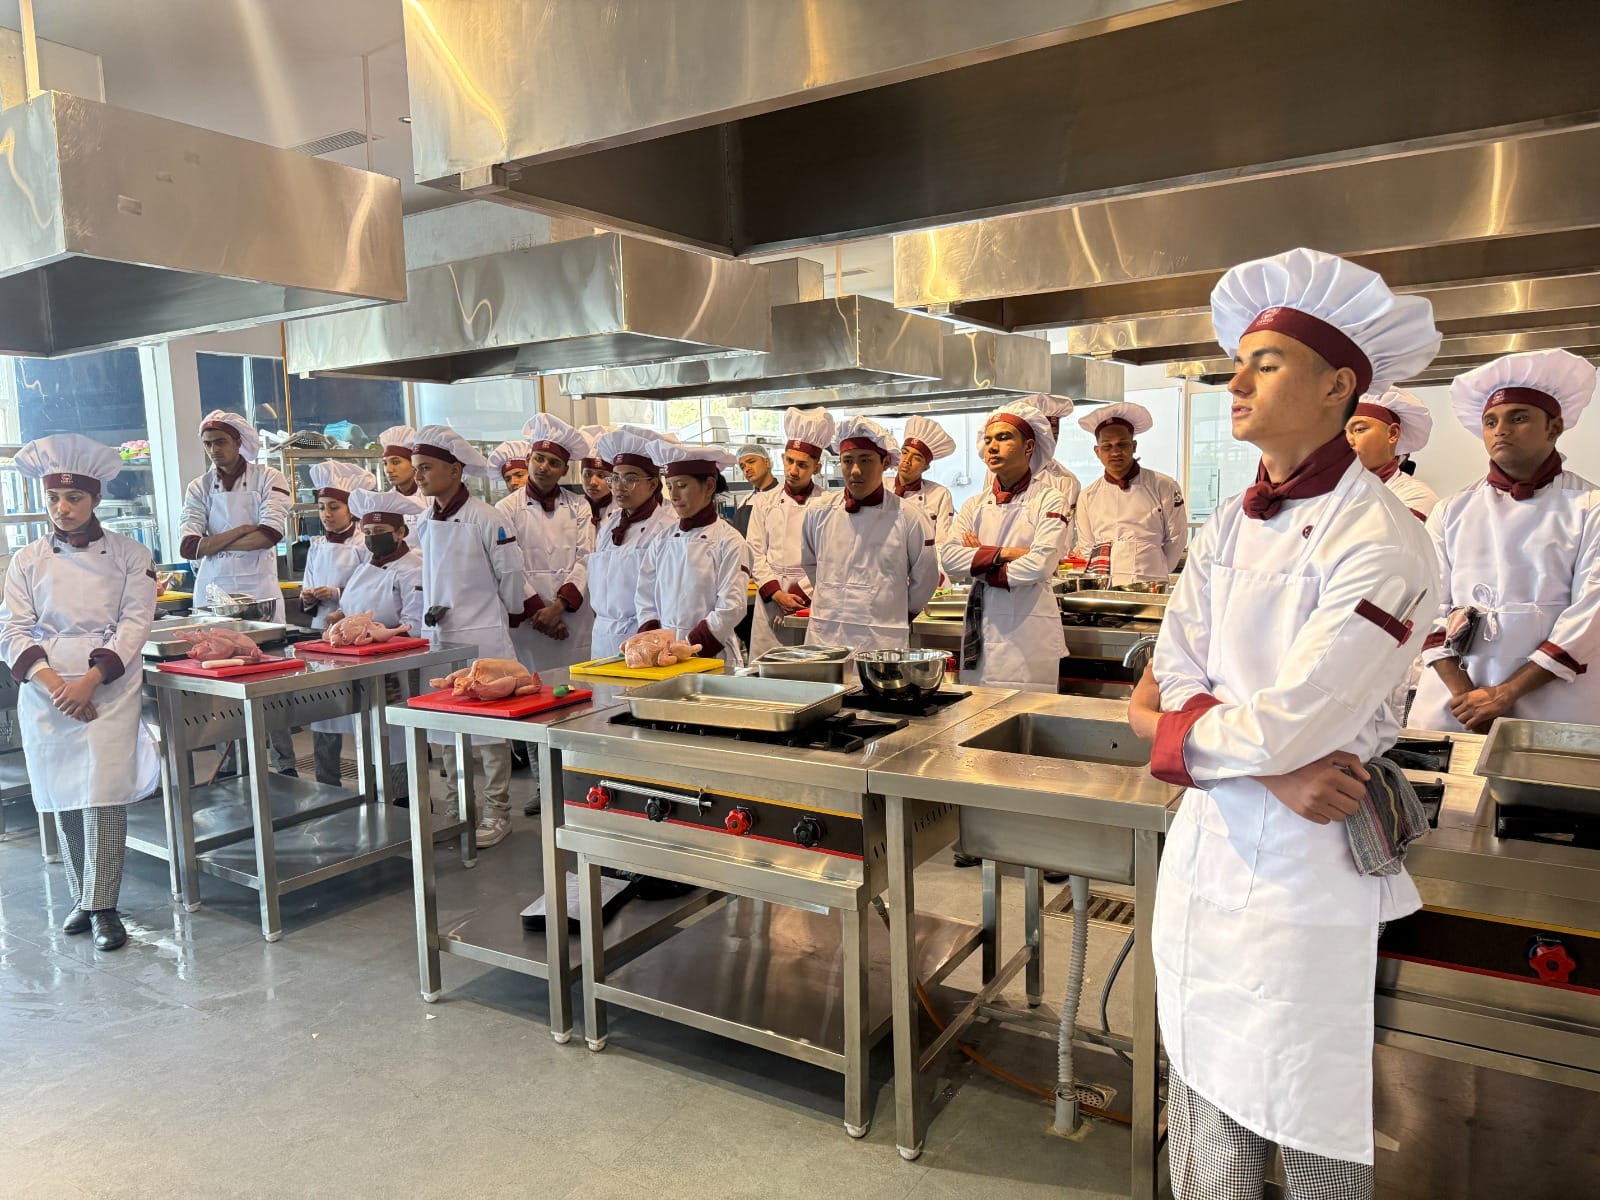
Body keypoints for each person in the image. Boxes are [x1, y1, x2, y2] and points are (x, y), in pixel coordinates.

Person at [1127, 246, 1441, 1200]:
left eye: (1265, 364)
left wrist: (1208, 741)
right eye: (1238, 364)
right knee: (1200, 1079)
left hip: (1309, 863)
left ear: (1339, 386)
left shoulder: (1384, 540)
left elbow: (1294, 719)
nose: (1236, 382)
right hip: (1211, 841)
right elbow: (1171, 677)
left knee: (1303, 1097)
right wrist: (1264, 768)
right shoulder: (1228, 523)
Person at [1, 435, 162, 951]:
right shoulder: (26, 559)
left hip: (108, 686)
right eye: (53, 498)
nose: (62, 508)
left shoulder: (131, 555)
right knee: (64, 794)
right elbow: (12, 629)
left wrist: (89, 681)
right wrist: (56, 687)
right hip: (46, 688)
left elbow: (135, 624)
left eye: (73, 498)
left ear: (95, 498)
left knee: (102, 794)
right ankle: (84, 898)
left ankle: (103, 906)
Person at [1409, 349, 1600, 732]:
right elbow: (1427, 606)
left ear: (1554, 427)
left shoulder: (1589, 506)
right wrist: (1467, 697)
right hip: (1454, 705)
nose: (1501, 430)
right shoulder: (1450, 510)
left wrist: (1505, 694)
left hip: (1555, 702)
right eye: (1490, 421)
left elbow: (1590, 614)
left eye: (1519, 417)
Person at [409, 425, 528, 849]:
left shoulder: (487, 518)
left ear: (455, 470)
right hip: (440, 637)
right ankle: (458, 808)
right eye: (416, 468)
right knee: (446, 730)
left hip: (484, 635)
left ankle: (498, 812)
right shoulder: (424, 520)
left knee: (490, 734)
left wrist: (504, 614)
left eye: (426, 467)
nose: (418, 476)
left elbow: (510, 577)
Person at [179, 410, 296, 773]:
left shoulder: (268, 478)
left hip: (258, 595)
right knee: (220, 686)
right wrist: (242, 530)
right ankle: (232, 768)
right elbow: (189, 547)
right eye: (207, 444)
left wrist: (214, 543)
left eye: (220, 442)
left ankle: (284, 764)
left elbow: (269, 535)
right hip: (212, 596)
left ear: (238, 443)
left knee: (270, 682)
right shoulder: (199, 487)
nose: (214, 450)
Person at [940, 401, 1070, 692]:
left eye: (1003, 438)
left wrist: (980, 561)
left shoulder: (1049, 499)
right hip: (983, 622)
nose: (993, 447)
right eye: (988, 440)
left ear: (1028, 447)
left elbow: (1041, 565)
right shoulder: (974, 504)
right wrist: (1007, 553)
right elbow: (949, 558)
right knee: (979, 706)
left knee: (1031, 708)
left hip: (1029, 629)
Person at [311, 488, 426, 805]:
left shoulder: (413, 568)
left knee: (394, 741)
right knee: (368, 739)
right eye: (369, 532)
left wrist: (376, 634)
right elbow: (353, 605)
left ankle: (406, 804)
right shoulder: (366, 566)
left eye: (381, 531)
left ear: (400, 533)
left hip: (394, 668)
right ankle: (372, 801)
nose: (374, 538)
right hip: (358, 664)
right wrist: (340, 617)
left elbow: (413, 625)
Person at [802, 417, 939, 652]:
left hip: (883, 636)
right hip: (826, 632)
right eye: (848, 461)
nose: (855, 470)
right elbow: (811, 564)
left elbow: (925, 577)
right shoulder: (818, 512)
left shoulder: (909, 516)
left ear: (885, 462)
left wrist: (897, 611)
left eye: (865, 460)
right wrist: (832, 594)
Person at [635, 442, 751, 668]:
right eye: (669, 486)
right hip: (665, 657)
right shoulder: (661, 540)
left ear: (709, 486)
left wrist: (690, 646)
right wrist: (654, 642)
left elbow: (732, 606)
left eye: (682, 485)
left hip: (711, 654)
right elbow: (644, 597)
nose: (674, 495)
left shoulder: (729, 541)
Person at [299, 461, 376, 789]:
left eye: (334, 507)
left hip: (354, 637)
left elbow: (371, 589)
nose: (327, 514)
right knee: (323, 715)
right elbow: (306, 587)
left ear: (350, 510)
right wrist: (309, 597)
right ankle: (326, 785)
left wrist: (339, 598)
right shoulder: (316, 546)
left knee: (361, 714)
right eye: (321, 508)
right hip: (321, 636)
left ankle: (372, 785)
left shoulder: (364, 544)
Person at [501, 413, 591, 679]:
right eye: (539, 458)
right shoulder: (505, 508)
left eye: (554, 463)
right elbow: (509, 565)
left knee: (578, 688)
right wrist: (541, 615)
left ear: (564, 470)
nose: (544, 467)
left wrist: (558, 608)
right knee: (533, 687)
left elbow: (587, 557)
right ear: (528, 459)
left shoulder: (580, 505)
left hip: (572, 618)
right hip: (531, 622)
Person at [748, 408, 833, 657]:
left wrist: (799, 594)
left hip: (808, 600)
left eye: (802, 465)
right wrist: (775, 593)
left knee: (807, 665)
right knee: (766, 668)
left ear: (816, 468)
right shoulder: (764, 502)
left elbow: (829, 559)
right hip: (769, 603)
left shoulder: (827, 504)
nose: (793, 470)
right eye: (789, 461)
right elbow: (754, 552)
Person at [1071, 402, 1188, 584]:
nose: (1115, 452)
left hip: (1151, 580)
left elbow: (1177, 537)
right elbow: (1087, 547)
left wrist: (1158, 568)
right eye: (1107, 446)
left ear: (1133, 446)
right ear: (1097, 451)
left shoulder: (1164, 486)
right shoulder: (1087, 495)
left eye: (1122, 444)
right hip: (1106, 583)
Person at [588, 427, 677, 659]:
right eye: (615, 478)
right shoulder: (609, 524)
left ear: (653, 484)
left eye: (630, 479)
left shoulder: (666, 526)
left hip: (642, 636)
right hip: (602, 637)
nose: (619, 486)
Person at [1344, 388, 1440, 519]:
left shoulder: (1414, 497)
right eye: (1342, 433)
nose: (1347, 441)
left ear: (1392, 434)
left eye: (1359, 429)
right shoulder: (1334, 492)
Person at [893, 415, 957, 544]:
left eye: (916, 458)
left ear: (926, 467)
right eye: (904, 453)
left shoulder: (940, 495)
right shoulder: (879, 485)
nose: (907, 460)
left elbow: (941, 542)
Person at [1029, 393, 1083, 541]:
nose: (1050, 443)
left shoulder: (1067, 481)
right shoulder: (998, 472)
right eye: (1045, 437)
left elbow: (1061, 537)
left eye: (1055, 436)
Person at [377, 424, 428, 537]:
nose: (388, 470)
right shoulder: (385, 502)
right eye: (385, 463)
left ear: (414, 464)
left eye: (395, 462)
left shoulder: (430, 498)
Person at [579, 424, 616, 535]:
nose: (593, 482)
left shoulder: (621, 510)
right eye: (587, 474)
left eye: (601, 476)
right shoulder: (574, 508)